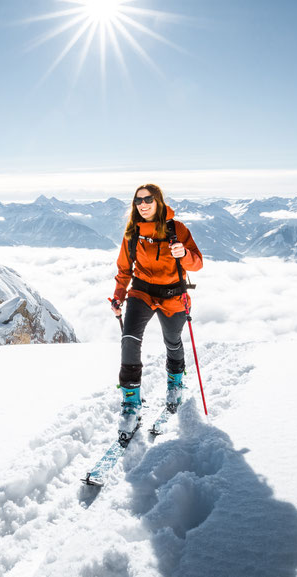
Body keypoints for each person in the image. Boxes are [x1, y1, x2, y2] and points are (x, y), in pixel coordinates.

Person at [109, 183, 203, 440]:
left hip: (173, 293)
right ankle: (131, 405)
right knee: (129, 340)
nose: (143, 204)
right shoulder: (132, 233)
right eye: (138, 200)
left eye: (148, 199)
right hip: (141, 292)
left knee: (172, 340)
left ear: (159, 201)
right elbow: (124, 269)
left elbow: (197, 263)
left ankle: (175, 383)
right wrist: (118, 297)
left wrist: (183, 254)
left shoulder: (177, 229)